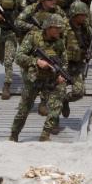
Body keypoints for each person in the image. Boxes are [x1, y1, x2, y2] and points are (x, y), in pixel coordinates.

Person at [9, 14, 69, 142]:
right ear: (48, 27)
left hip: (51, 79)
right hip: (33, 79)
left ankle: (45, 134)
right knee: (24, 110)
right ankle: (14, 135)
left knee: (57, 103)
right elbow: (18, 57)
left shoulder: (59, 42)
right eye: (57, 28)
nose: (59, 31)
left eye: (60, 28)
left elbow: (64, 62)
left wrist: (61, 75)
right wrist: (36, 61)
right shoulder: (33, 37)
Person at [15, 0, 68, 116]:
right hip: (32, 43)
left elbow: (65, 23)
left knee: (49, 71)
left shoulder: (58, 10)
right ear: (43, 0)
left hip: (50, 44)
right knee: (28, 74)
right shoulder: (32, 9)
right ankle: (27, 98)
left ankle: (44, 102)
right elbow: (18, 21)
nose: (53, 2)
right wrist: (32, 27)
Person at [0, 0, 27, 99]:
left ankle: (7, 85)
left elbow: (25, 9)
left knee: (8, 60)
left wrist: (19, 20)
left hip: (11, 32)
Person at [61, 1, 92, 119]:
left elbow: (89, 43)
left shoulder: (86, 27)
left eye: (85, 15)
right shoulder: (64, 27)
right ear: (74, 15)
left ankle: (65, 100)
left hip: (78, 64)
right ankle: (54, 123)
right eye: (82, 15)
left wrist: (89, 53)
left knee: (79, 92)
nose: (84, 17)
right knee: (57, 94)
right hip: (63, 65)